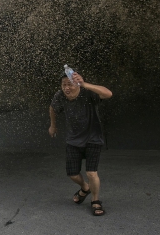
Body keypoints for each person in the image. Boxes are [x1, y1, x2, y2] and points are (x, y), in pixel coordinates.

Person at [48, 71, 113, 216]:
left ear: (77, 84)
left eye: (69, 84)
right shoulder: (60, 96)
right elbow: (52, 108)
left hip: (93, 139)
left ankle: (95, 200)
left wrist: (84, 84)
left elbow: (108, 94)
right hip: (73, 140)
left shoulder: (88, 93)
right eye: (64, 85)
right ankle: (85, 188)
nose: (66, 88)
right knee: (72, 174)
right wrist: (53, 125)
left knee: (91, 172)